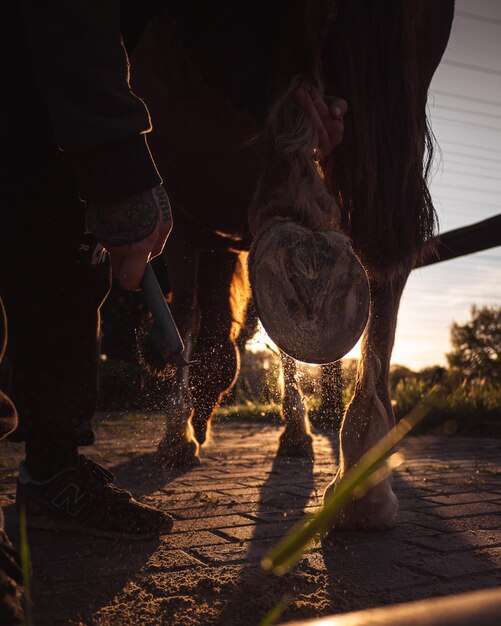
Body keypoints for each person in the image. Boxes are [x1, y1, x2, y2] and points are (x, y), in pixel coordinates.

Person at [0, 2, 177, 621]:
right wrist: (116, 154)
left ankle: (52, 473)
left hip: (44, 97)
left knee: (64, 257)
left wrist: (283, 100)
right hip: (31, 51)